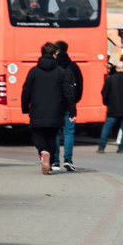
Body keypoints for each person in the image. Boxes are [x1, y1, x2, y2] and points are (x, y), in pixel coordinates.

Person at [21, 42, 76, 175]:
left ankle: (43, 152)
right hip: (56, 110)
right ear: (54, 54)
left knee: (37, 134)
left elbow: (26, 90)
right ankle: (50, 164)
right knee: (52, 137)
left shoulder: (34, 71)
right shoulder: (60, 72)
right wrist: (72, 111)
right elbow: (67, 92)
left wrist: (25, 107)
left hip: (37, 108)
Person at [53, 40, 83, 171]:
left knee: (55, 133)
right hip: (69, 103)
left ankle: (55, 162)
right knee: (69, 132)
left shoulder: (53, 66)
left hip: (54, 104)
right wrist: (74, 102)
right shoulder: (73, 66)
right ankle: (68, 159)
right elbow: (80, 86)